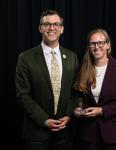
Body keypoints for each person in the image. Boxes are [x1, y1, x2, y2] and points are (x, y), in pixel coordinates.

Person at [16, 10, 78, 150]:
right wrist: (43, 120)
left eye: (56, 24)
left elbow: (76, 91)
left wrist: (68, 115)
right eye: (47, 24)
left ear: (61, 29)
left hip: (64, 133)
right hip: (36, 134)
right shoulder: (26, 58)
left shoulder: (72, 57)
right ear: (40, 28)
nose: (51, 28)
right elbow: (23, 94)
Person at [73, 28, 116, 150]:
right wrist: (78, 108)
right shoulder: (82, 69)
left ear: (108, 45)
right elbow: (77, 96)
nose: (96, 47)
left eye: (100, 43)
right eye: (93, 43)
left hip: (115, 135)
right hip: (89, 135)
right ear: (89, 46)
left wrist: (102, 110)